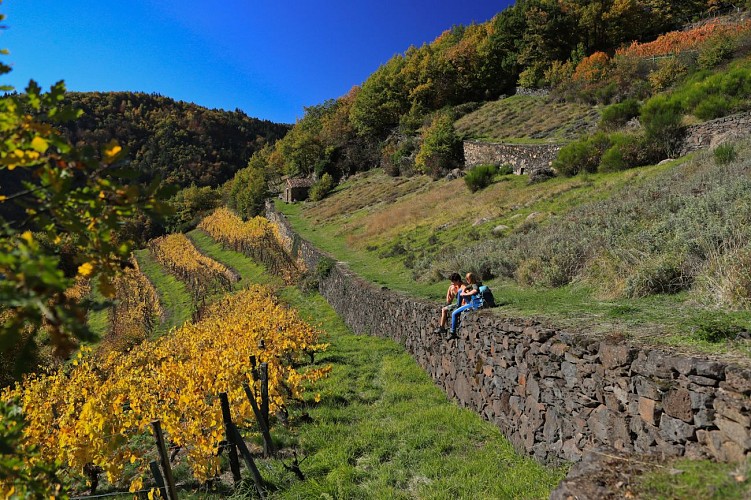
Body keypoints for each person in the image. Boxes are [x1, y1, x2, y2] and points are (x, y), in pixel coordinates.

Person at [448, 272, 482, 338]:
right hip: (475, 302)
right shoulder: (476, 283)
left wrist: (465, 294)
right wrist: (464, 290)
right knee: (460, 291)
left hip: (473, 304)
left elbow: (475, 291)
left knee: (454, 314)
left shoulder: (475, 285)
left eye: (467, 279)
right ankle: (458, 305)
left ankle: (453, 332)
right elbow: (465, 288)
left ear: (469, 279)